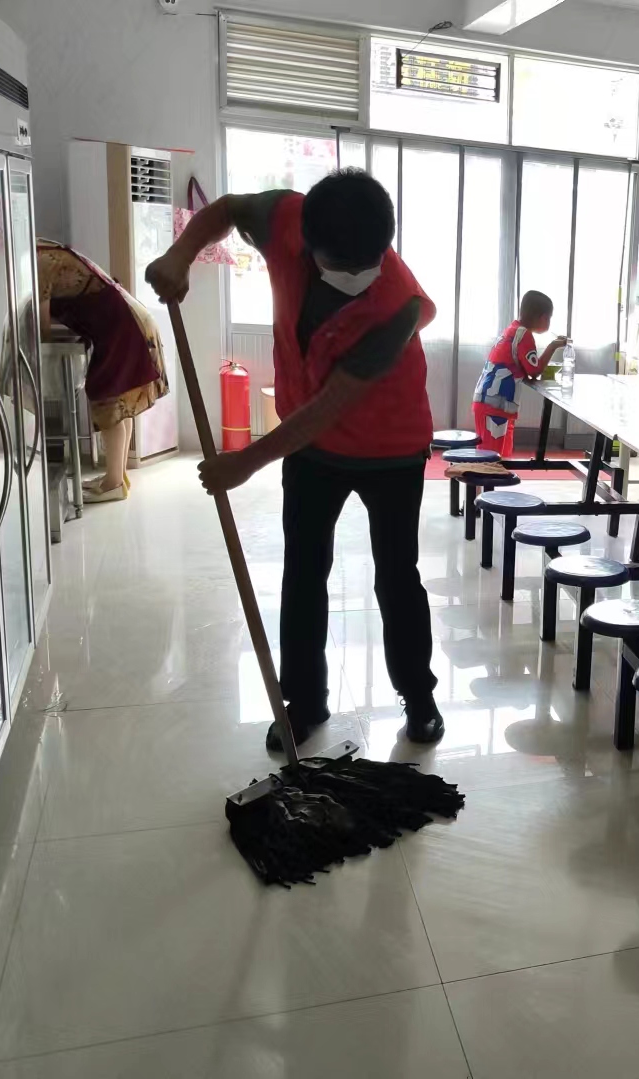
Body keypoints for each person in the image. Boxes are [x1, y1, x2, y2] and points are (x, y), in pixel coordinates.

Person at [145, 168, 445, 749]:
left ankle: (420, 697)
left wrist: (244, 462)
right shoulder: (286, 219)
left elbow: (328, 408)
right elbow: (228, 208)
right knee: (304, 572)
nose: (359, 277)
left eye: (370, 264)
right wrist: (180, 256)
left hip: (392, 450)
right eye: (345, 267)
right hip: (314, 453)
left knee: (397, 576)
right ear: (307, 242)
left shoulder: (398, 306)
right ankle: (303, 703)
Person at [35, 240, 169, 502]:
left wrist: (39, 349)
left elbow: (42, 326)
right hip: (129, 321)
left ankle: (113, 483)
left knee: (108, 400)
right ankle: (116, 476)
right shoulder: (50, 252)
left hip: (122, 327)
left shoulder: (40, 263)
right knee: (119, 401)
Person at [473, 291, 567, 455]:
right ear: (543, 317)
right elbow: (534, 371)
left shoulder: (512, 329)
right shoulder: (524, 335)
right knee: (490, 459)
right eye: (548, 318)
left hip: (494, 403)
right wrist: (553, 346)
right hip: (494, 405)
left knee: (501, 456)